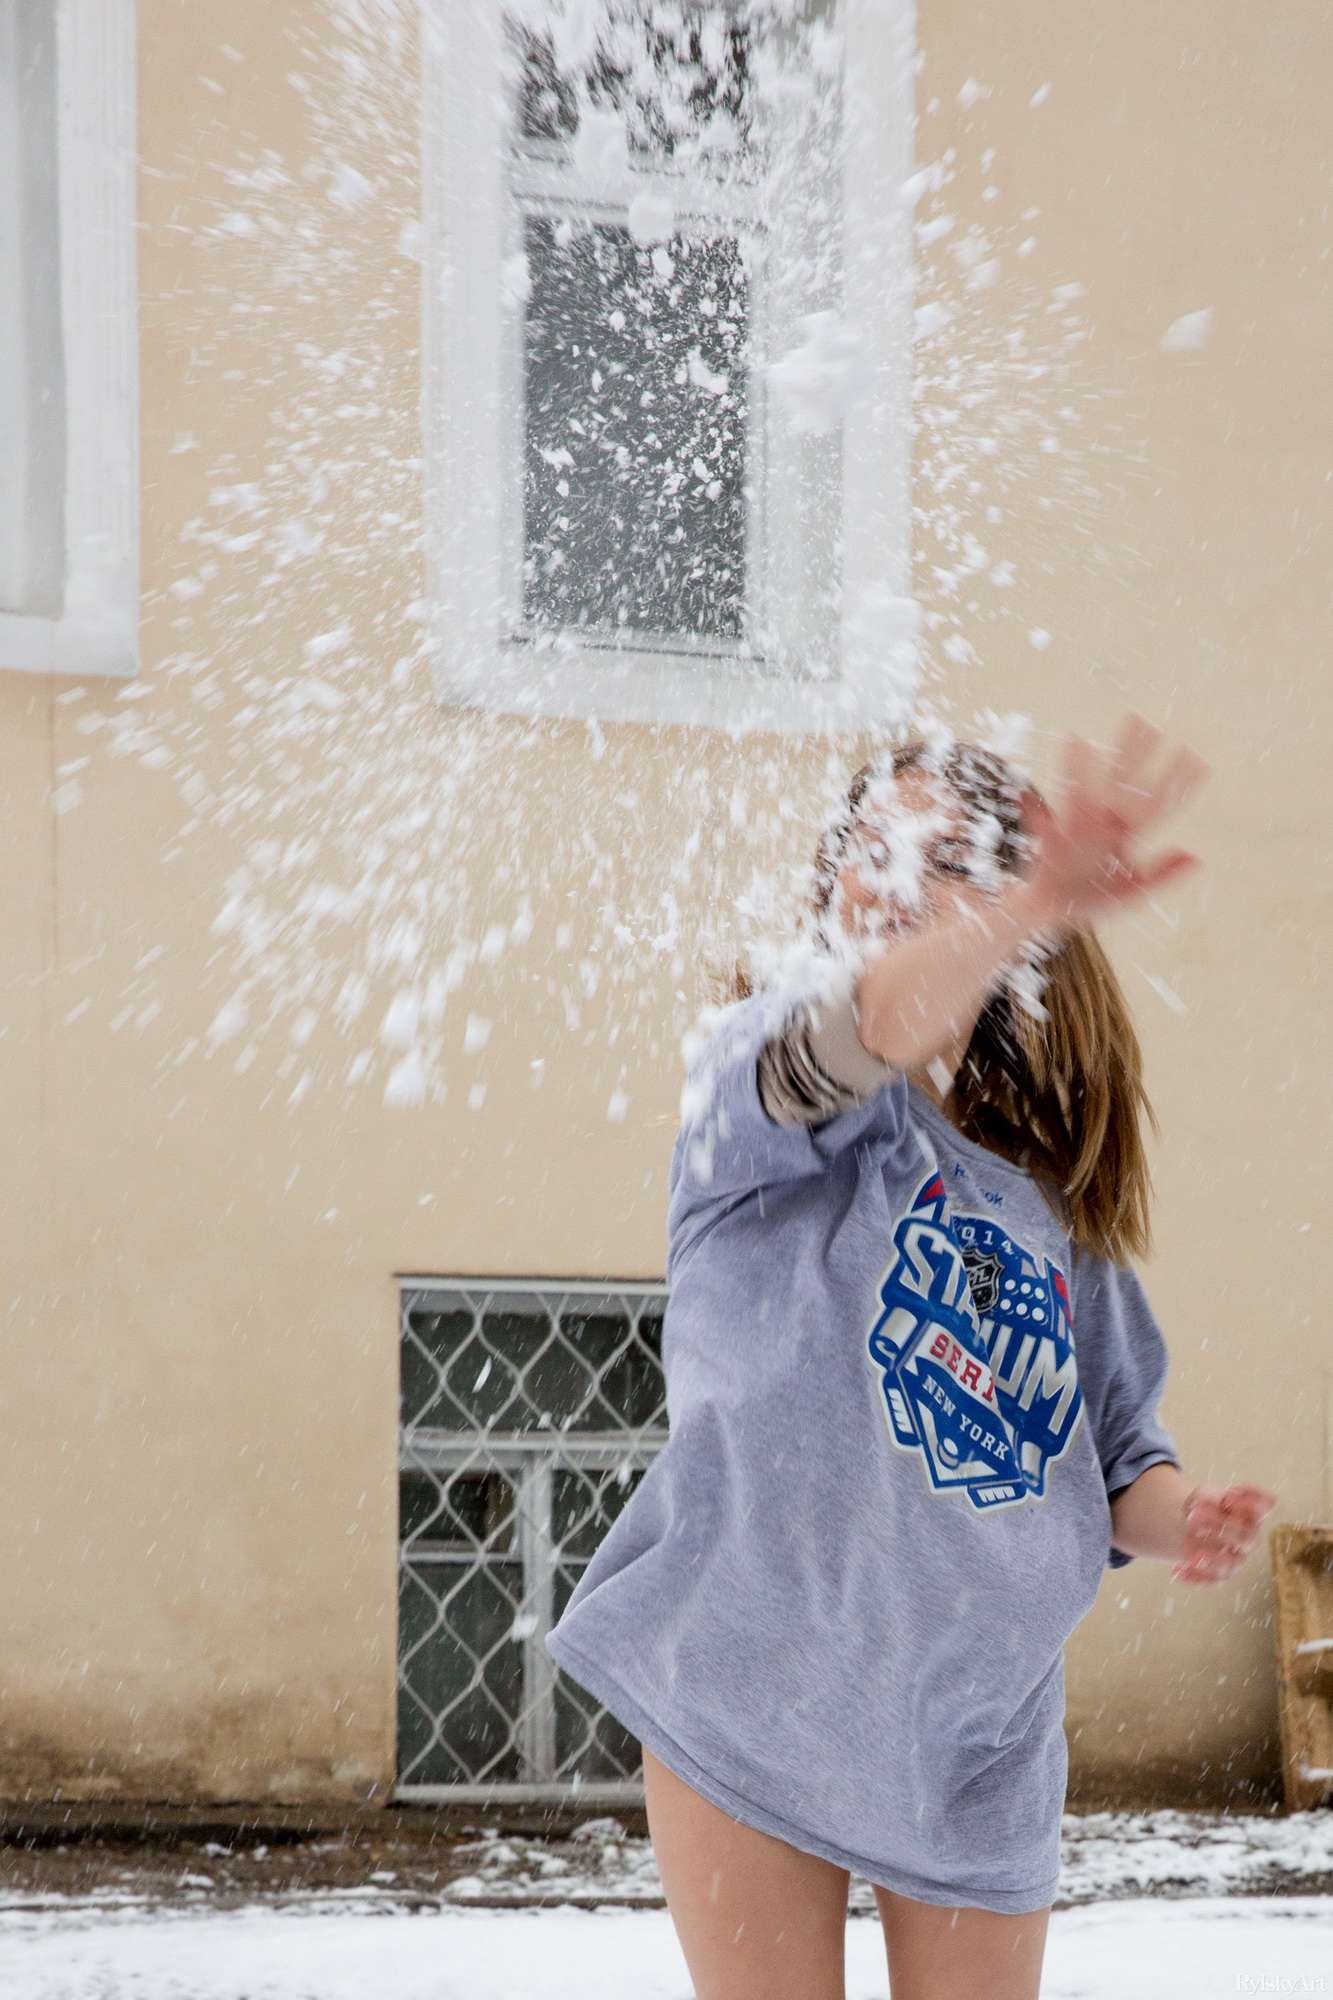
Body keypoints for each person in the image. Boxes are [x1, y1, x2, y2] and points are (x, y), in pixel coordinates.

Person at [543, 715, 1276, 2000]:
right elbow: (867, 1029)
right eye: (866, 848)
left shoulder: (1045, 1209)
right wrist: (1028, 905)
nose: (890, 880)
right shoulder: (757, 1083)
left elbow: (1112, 1459)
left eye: (943, 861)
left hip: (977, 1735)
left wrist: (1182, 1518)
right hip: (753, 1681)